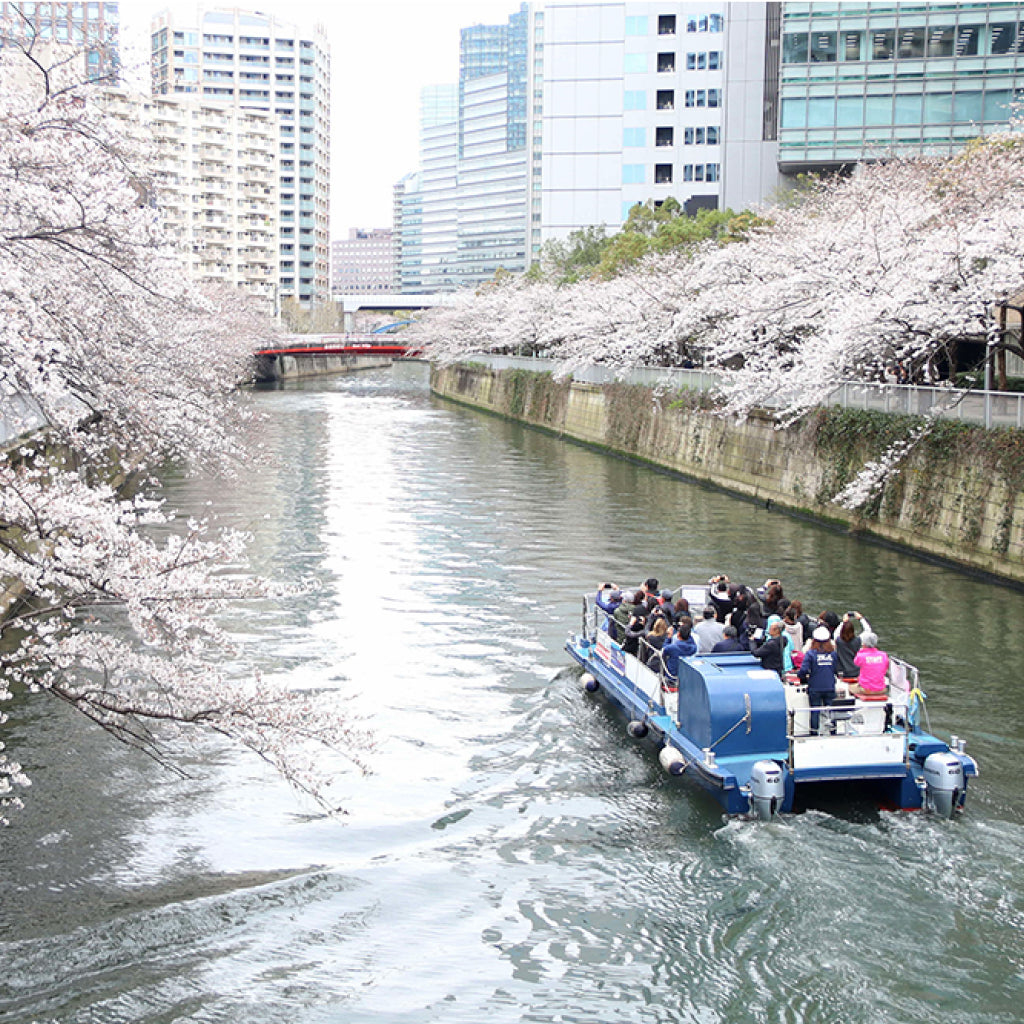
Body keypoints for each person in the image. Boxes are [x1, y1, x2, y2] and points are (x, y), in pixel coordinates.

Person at [799, 625, 838, 733]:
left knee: (815, 711)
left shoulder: (811, 654)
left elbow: (803, 670)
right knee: (830, 711)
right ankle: (833, 732)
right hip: (830, 686)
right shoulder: (833, 654)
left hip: (815, 687)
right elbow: (836, 669)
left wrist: (802, 678)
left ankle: (814, 733)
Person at [834, 611, 871, 680]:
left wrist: (843, 622)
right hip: (856, 672)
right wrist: (861, 619)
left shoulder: (838, 641)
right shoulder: (858, 640)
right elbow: (868, 630)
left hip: (843, 672)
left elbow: (836, 632)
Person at [850, 631, 889, 696]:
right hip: (881, 688)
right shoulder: (884, 655)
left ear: (863, 643)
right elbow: (885, 668)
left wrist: (861, 651)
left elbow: (856, 662)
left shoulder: (861, 655)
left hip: (866, 689)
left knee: (849, 687)